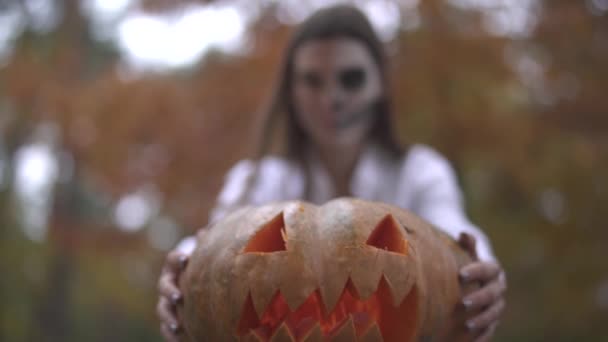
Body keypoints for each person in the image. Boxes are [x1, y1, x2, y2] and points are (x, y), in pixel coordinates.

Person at [157, 5, 506, 341]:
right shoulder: (258, 179)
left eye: (350, 79)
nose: (332, 97)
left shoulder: (419, 171)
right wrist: (182, 272)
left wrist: (483, 270)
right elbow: (217, 245)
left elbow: (452, 232)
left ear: (380, 84)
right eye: (312, 80)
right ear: (292, 91)